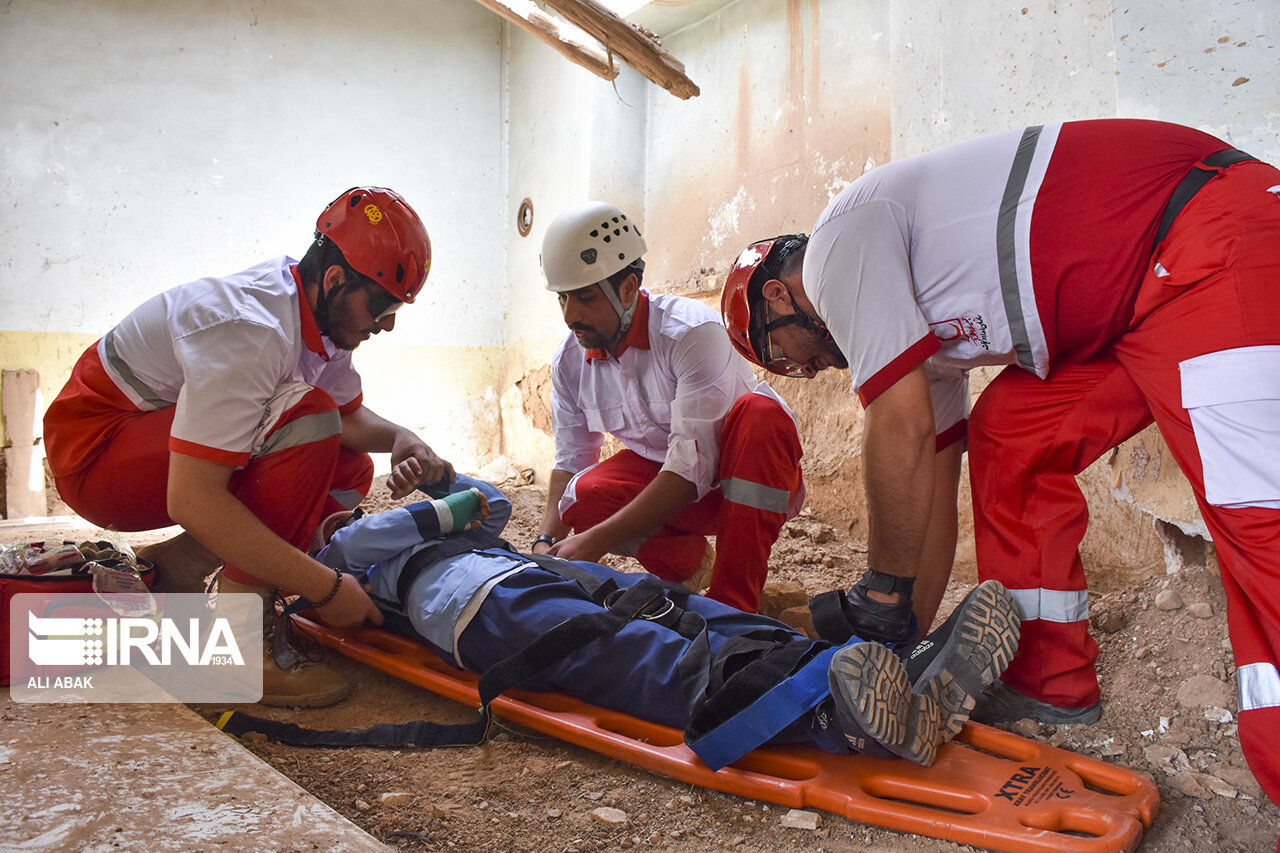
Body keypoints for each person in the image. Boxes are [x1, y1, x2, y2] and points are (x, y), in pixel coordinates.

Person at [720, 119, 1280, 808]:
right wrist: (898, 643)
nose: (805, 367)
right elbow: (933, 477)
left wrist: (880, 593)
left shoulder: (840, 243)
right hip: (1134, 304)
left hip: (1213, 236)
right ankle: (1048, 679)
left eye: (784, 355)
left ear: (778, 295)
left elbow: (896, 424)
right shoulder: (913, 330)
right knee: (1012, 435)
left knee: (1265, 530)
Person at [42, 186, 453, 708]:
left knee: (344, 463)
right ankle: (236, 646)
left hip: (135, 442)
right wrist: (326, 588)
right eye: (382, 306)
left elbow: (349, 418)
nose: (388, 323)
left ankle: (177, 571)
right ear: (334, 279)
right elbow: (192, 499)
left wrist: (400, 436)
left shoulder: (312, 309)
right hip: (95, 456)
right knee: (308, 417)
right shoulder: (250, 328)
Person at [318, 473, 1020, 768]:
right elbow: (390, 531)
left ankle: (881, 672)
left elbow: (492, 506)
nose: (356, 514)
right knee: (626, 649)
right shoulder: (349, 553)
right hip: (478, 609)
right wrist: (434, 499)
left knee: (678, 605)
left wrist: (442, 473)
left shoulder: (430, 529)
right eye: (345, 511)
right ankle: (834, 716)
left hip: (531, 571)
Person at [533, 201, 806, 614]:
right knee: (580, 499)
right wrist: (545, 543)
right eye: (563, 299)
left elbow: (688, 470)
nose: (571, 315)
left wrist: (596, 542)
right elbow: (571, 459)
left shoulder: (691, 334)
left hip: (740, 483)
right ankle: (697, 572)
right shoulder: (570, 362)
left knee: (760, 416)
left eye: (585, 297)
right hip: (674, 484)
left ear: (627, 288)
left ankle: (736, 604)